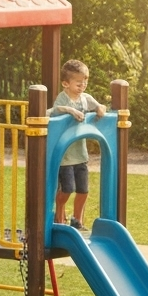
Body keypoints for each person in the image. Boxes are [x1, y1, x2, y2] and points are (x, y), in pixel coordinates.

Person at [50, 59, 106, 230]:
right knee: (67, 189)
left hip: (80, 154)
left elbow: (98, 106)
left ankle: (77, 220)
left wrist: (100, 108)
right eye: (78, 82)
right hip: (65, 156)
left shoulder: (85, 98)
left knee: (83, 190)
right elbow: (55, 110)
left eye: (85, 81)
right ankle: (59, 215)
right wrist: (71, 110)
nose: (83, 85)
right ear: (65, 83)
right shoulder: (63, 98)